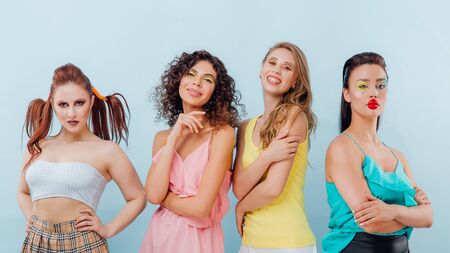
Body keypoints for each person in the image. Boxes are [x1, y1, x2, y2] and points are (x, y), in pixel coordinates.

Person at [18, 63, 146, 252]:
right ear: (52, 104)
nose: (71, 113)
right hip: (37, 240)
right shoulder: (37, 146)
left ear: (92, 102)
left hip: (82, 242)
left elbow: (138, 198)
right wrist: (31, 217)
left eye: (79, 103)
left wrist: (108, 229)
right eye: (63, 104)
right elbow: (23, 192)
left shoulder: (107, 151)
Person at [322, 52, 433, 253]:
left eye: (380, 85)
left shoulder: (398, 156)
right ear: (347, 94)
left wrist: (392, 211)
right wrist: (412, 215)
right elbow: (371, 224)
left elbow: (428, 218)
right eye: (363, 85)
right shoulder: (342, 148)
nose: (374, 92)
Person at [139, 50, 242, 253]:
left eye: (208, 79)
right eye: (191, 74)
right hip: (159, 236)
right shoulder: (163, 138)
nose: (196, 83)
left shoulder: (223, 134)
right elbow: (152, 195)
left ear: (216, 91)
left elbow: (201, 208)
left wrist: (165, 199)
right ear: (178, 79)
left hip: (199, 241)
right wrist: (173, 139)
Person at [233, 42, 317, 253]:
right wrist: (267, 156)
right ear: (261, 70)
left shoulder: (294, 116)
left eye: (287, 68)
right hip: (250, 241)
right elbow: (239, 189)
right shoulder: (245, 127)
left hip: (288, 242)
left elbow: (273, 188)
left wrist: (242, 207)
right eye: (272, 62)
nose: (277, 70)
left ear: (295, 81)